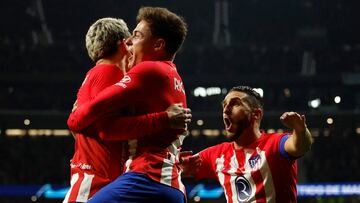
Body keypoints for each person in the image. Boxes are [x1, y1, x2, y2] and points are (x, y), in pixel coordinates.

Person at [67, 7, 189, 203]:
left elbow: (98, 117)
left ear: (158, 44)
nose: (129, 42)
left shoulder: (148, 70)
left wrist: (74, 118)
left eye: (137, 35)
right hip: (171, 184)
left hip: (147, 177)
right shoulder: (173, 76)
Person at [184, 86, 313, 203]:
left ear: (256, 114)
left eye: (235, 104)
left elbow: (301, 146)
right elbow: (176, 168)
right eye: (224, 105)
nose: (226, 109)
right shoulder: (216, 155)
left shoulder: (275, 143)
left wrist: (301, 130)